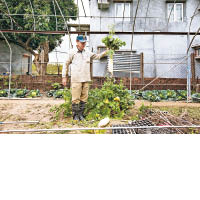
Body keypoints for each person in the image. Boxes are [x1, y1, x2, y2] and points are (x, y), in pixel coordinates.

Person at [62, 35, 108, 121]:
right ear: (77, 42)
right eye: (82, 42)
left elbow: (97, 56)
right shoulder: (72, 52)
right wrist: (64, 76)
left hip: (86, 78)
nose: (83, 44)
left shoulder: (87, 52)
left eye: (84, 43)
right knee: (75, 98)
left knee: (84, 98)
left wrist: (106, 52)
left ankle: (81, 115)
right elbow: (66, 64)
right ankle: (75, 116)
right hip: (76, 79)